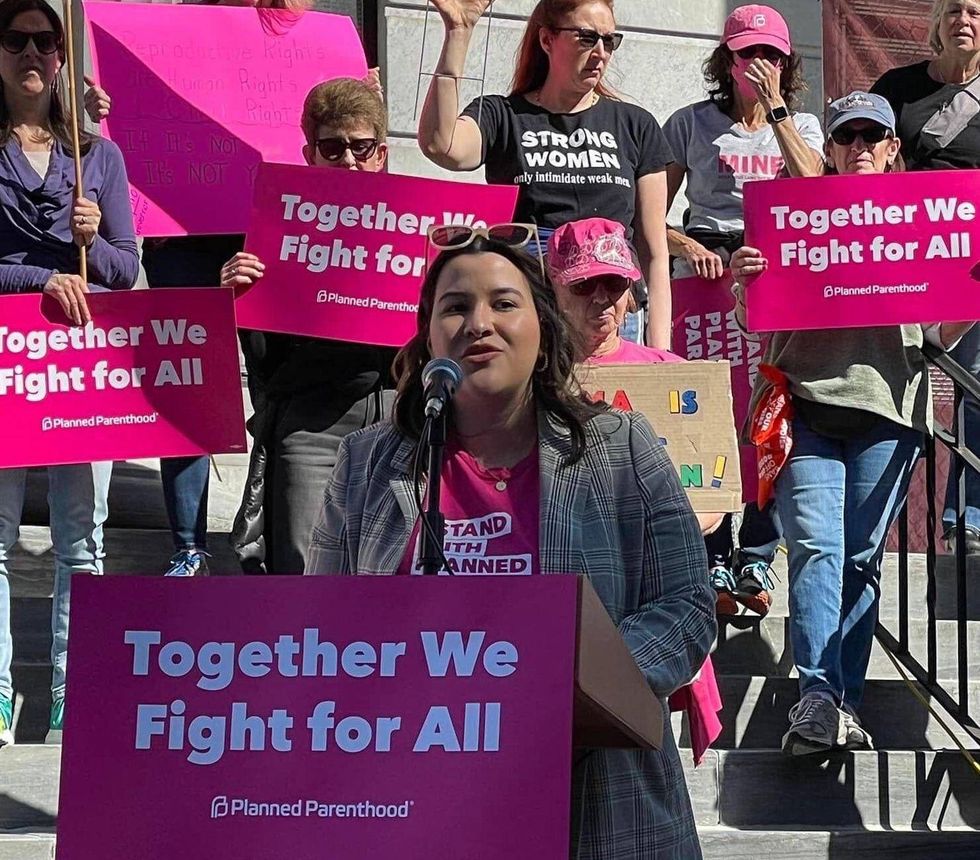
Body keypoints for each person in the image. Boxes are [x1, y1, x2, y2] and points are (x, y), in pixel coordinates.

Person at [306, 231, 715, 857]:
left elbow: (685, 608)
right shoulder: (367, 461)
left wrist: (567, 683)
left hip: (594, 798)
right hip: (419, 794)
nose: (479, 323)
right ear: (428, 335)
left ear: (543, 328)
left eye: (503, 303)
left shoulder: (624, 449)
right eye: (454, 306)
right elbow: (320, 628)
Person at [730, 92, 976, 756]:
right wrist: (744, 278)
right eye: (848, 136)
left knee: (861, 561)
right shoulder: (786, 214)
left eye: (874, 135)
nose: (861, 145)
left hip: (889, 411)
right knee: (818, 547)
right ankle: (817, 695)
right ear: (830, 148)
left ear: (893, 148)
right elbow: (753, 321)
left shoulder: (920, 226)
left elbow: (937, 337)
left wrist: (973, 293)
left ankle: (841, 699)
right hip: (804, 404)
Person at [0, 0, 138, 747]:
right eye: (16, 39)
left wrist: (93, 238)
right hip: (8, 366)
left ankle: (68, 694)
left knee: (81, 541)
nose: (32, 53)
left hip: (81, 371)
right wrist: (35, 282)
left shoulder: (100, 157)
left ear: (62, 57)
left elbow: (125, 265)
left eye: (46, 42)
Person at [662, 4, 825, 617]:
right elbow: (651, 212)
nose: (756, 65)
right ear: (723, 61)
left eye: (771, 56)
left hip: (771, 280)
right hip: (705, 276)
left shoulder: (804, 125)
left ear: (787, 64)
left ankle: (756, 557)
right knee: (706, 419)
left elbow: (815, 189)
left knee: (768, 417)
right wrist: (690, 245)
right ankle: (711, 558)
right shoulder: (690, 123)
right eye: (744, 54)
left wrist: (776, 108)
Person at [548, 215, 724, 767]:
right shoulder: (528, 379)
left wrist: (654, 523)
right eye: (584, 284)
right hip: (558, 598)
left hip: (648, 608)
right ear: (551, 287)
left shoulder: (671, 373)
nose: (602, 299)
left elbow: (713, 505)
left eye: (616, 284)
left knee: (639, 762)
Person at [417, 0, 675, 349]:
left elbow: (654, 252)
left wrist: (659, 353)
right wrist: (459, 34)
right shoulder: (504, 115)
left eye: (609, 41)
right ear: (547, 40)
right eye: (586, 38)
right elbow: (441, 145)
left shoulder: (636, 125)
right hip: (532, 310)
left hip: (611, 316)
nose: (600, 53)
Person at [221, 78, 396, 574]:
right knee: (303, 567)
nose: (348, 160)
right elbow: (261, 355)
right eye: (332, 147)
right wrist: (234, 299)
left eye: (361, 147)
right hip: (310, 423)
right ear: (309, 154)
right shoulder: (276, 226)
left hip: (397, 418)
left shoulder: (416, 228)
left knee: (390, 571)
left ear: (381, 153)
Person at [872, 0, 980, 555]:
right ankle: (870, 516)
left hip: (975, 269)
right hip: (903, 261)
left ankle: (969, 515)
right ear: (937, 23)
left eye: (977, 12)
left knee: (977, 381)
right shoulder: (898, 86)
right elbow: (860, 155)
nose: (965, 20)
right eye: (955, 10)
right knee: (889, 384)